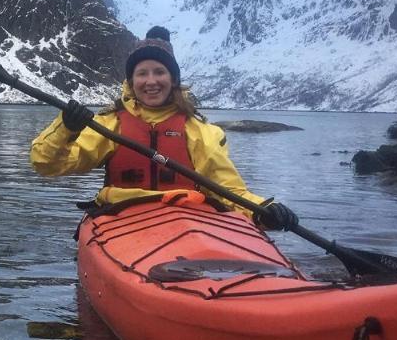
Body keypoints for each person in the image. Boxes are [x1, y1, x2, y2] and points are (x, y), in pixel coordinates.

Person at [29, 26, 299, 231]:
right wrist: (66, 128)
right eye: (142, 73)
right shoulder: (110, 124)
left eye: (159, 72)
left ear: (173, 79)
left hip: (186, 223)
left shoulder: (200, 130)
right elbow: (46, 163)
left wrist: (261, 210)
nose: (151, 81)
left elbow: (227, 189)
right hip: (121, 219)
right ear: (131, 81)